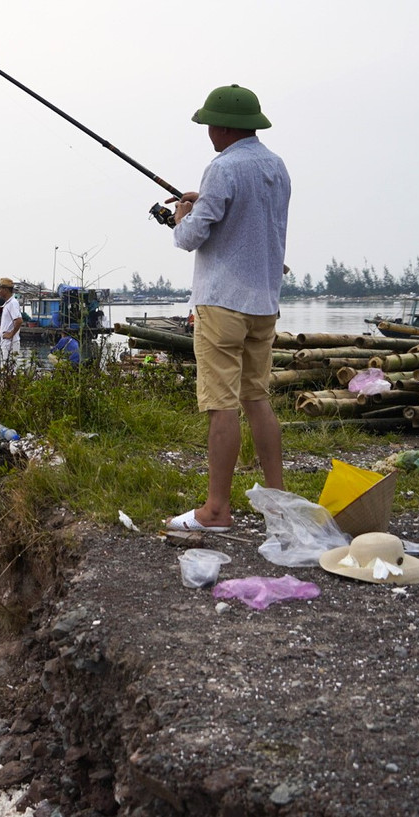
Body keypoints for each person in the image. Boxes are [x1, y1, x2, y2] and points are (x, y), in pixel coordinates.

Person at [165, 83, 290, 533]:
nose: (208, 133)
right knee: (257, 399)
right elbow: (246, 220)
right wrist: (204, 203)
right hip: (264, 303)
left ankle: (216, 510)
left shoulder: (221, 168)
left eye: (210, 125)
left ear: (222, 127)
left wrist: (182, 216)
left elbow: (189, 238)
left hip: (222, 304)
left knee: (222, 405)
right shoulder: (277, 167)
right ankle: (278, 503)